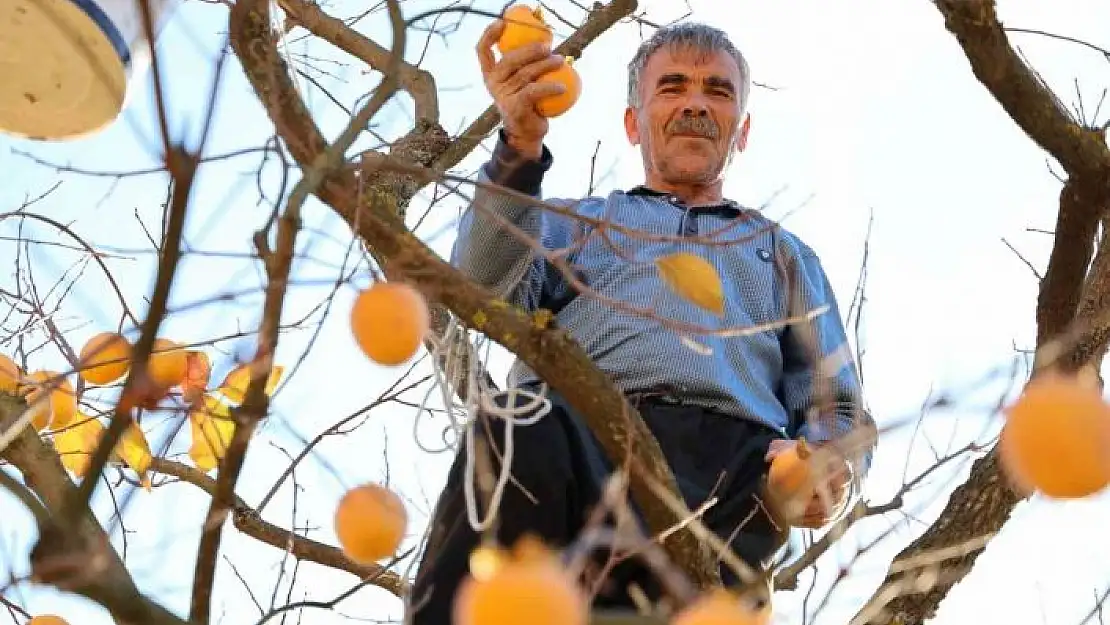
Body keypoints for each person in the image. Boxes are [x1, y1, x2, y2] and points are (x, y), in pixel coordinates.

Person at [407, 20, 877, 624]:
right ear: (633, 123)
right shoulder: (576, 225)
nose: (696, 104)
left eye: (719, 91)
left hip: (733, 471)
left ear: (743, 131)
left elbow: (834, 403)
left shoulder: (784, 256)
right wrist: (518, 146)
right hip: (584, 439)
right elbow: (481, 285)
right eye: (673, 86)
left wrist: (828, 467)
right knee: (509, 430)